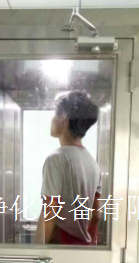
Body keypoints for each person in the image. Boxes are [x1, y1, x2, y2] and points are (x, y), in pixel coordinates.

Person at [35, 91, 102, 246]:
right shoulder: (93, 163)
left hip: (60, 249)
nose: (52, 119)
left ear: (64, 119)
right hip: (82, 250)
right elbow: (96, 215)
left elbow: (50, 211)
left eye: (55, 114)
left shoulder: (56, 159)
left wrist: (36, 253)